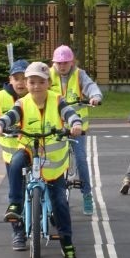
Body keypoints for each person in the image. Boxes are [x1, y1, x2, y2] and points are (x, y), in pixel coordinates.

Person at [0, 61, 84, 258]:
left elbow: (69, 113)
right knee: (15, 162)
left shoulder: (57, 100)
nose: (35, 86)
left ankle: (67, 244)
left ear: (48, 83)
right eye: (31, 82)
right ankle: (15, 204)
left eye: (40, 82)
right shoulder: (22, 103)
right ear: (27, 83)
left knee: (60, 202)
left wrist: (75, 123)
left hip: (54, 163)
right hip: (29, 151)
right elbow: (10, 115)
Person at [49, 44, 103, 215]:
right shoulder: (48, 75)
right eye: (58, 63)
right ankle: (46, 197)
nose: (62, 66)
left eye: (65, 63)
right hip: (55, 127)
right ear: (54, 63)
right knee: (48, 160)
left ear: (71, 62)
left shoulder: (79, 74)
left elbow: (90, 86)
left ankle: (87, 194)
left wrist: (95, 96)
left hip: (76, 128)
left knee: (80, 159)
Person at [0, 59, 30, 251]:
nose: (20, 83)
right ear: (10, 79)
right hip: (12, 155)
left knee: (40, 187)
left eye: (24, 78)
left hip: (35, 150)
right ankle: (18, 231)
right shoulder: (0, 97)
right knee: (16, 193)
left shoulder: (36, 96)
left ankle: (41, 215)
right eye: (16, 78)